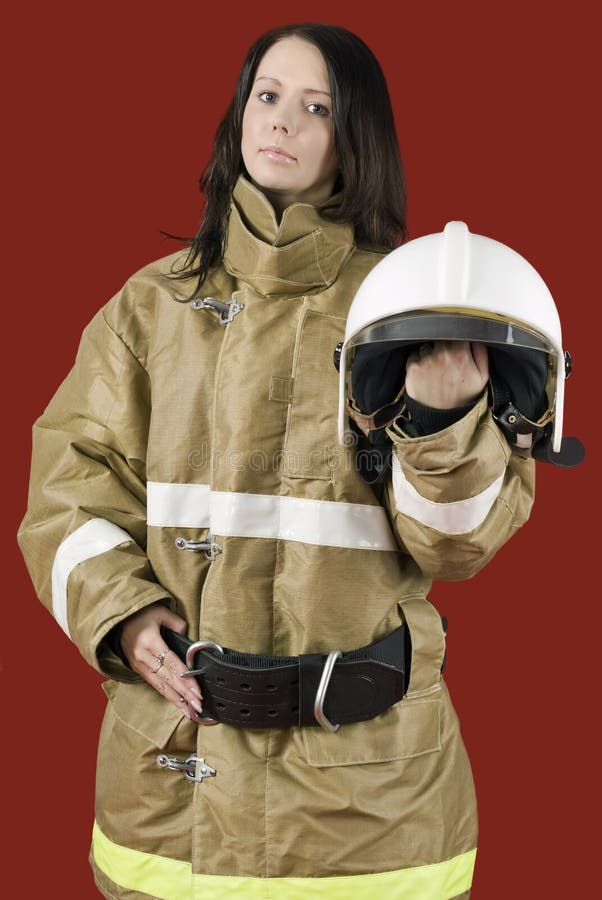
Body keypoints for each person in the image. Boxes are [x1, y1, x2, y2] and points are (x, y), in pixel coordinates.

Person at [17, 21, 533, 900]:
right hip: (170, 794)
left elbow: (459, 548)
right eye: (267, 96)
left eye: (315, 106)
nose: (282, 122)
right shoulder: (150, 309)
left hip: (371, 811)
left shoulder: (414, 309)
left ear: (354, 136)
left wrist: (445, 418)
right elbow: (68, 497)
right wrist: (125, 619)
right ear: (238, 117)